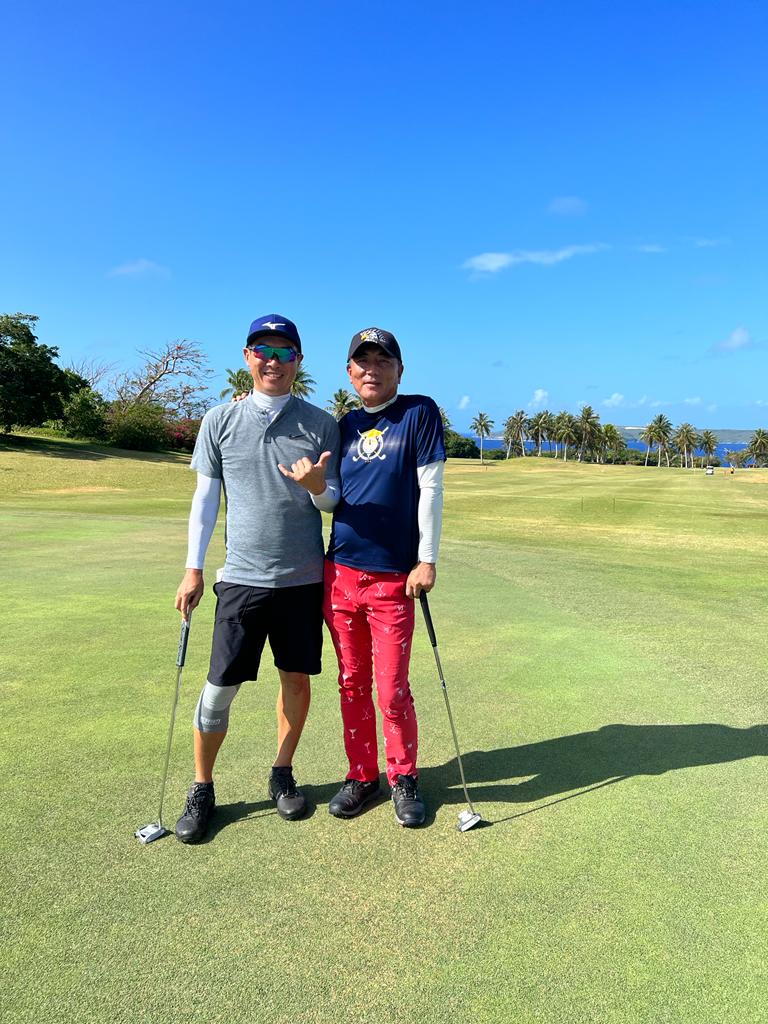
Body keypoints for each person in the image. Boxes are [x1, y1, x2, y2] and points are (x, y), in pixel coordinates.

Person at [173, 314, 340, 843]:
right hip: (242, 579)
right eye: (263, 350)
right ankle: (202, 786)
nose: (274, 361)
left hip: (302, 580)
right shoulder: (219, 420)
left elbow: (331, 500)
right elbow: (205, 500)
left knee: (296, 679)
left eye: (285, 352)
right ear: (247, 357)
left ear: (299, 361)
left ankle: (282, 771)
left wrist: (317, 487)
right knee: (219, 687)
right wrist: (193, 568)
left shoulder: (320, 423)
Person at [322, 328, 446, 827]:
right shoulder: (343, 425)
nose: (371, 369)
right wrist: (313, 488)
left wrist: (427, 558)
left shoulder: (418, 413)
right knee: (352, 683)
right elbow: (330, 498)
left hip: (394, 576)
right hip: (340, 572)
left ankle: (403, 777)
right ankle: (362, 775)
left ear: (399, 369)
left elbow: (430, 488)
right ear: (349, 372)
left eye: (382, 360)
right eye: (363, 361)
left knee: (391, 689)